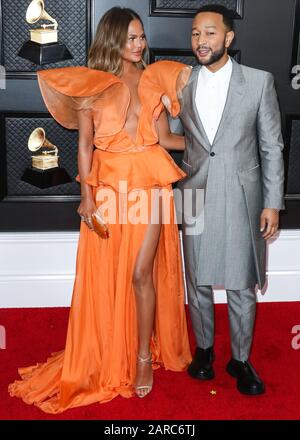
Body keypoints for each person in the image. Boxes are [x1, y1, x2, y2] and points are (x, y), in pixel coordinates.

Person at [8, 7, 191, 413]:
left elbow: (164, 138)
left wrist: (209, 145)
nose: (139, 44)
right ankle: (111, 346)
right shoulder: (93, 86)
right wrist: (86, 197)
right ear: (112, 41)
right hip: (108, 189)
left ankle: (143, 357)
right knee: (111, 274)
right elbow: (85, 145)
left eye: (141, 37)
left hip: (150, 184)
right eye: (130, 38)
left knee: (142, 272)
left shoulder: (154, 79)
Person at [150, 4, 285, 395]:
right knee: (198, 280)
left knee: (242, 281)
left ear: (228, 37)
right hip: (194, 190)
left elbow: (272, 147)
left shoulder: (259, 82)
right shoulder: (181, 81)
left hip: (243, 193)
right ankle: (204, 350)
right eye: (195, 33)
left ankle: (240, 359)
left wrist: (272, 202)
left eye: (209, 33)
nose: (200, 41)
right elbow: (172, 133)